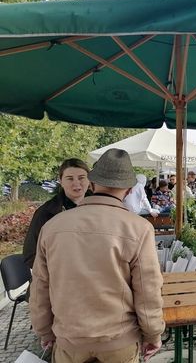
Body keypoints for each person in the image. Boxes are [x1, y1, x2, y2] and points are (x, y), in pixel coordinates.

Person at [30, 148, 164, 362]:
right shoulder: (139, 228)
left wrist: (44, 331)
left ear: (91, 184)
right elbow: (147, 289)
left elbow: (40, 286)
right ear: (129, 190)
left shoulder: (53, 226)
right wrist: (153, 333)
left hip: (69, 339)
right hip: (118, 341)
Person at [23, 158, 91, 270]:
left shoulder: (101, 208)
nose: (76, 183)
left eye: (81, 178)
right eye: (70, 178)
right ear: (61, 181)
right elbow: (30, 255)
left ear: (89, 179)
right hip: (60, 275)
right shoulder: (45, 213)